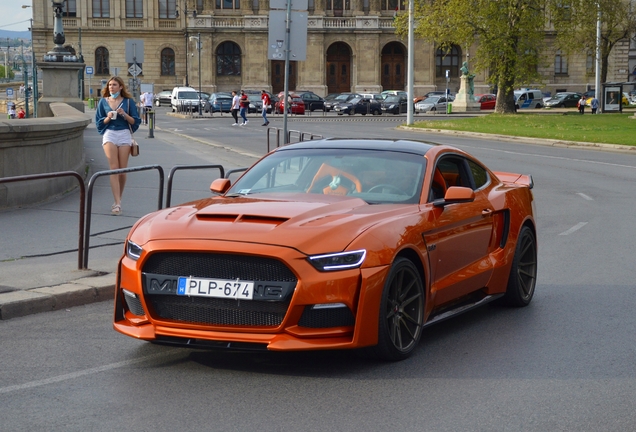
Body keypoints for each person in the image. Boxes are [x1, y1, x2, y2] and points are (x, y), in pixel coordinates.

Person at [95, 76, 141, 216]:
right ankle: (117, 203)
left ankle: (118, 199)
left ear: (121, 87)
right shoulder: (103, 102)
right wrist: (108, 117)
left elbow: (135, 121)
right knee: (113, 168)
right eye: (109, 85)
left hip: (124, 134)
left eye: (114, 85)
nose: (111, 87)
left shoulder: (128, 102)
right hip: (110, 134)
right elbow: (99, 122)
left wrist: (124, 114)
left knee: (122, 170)